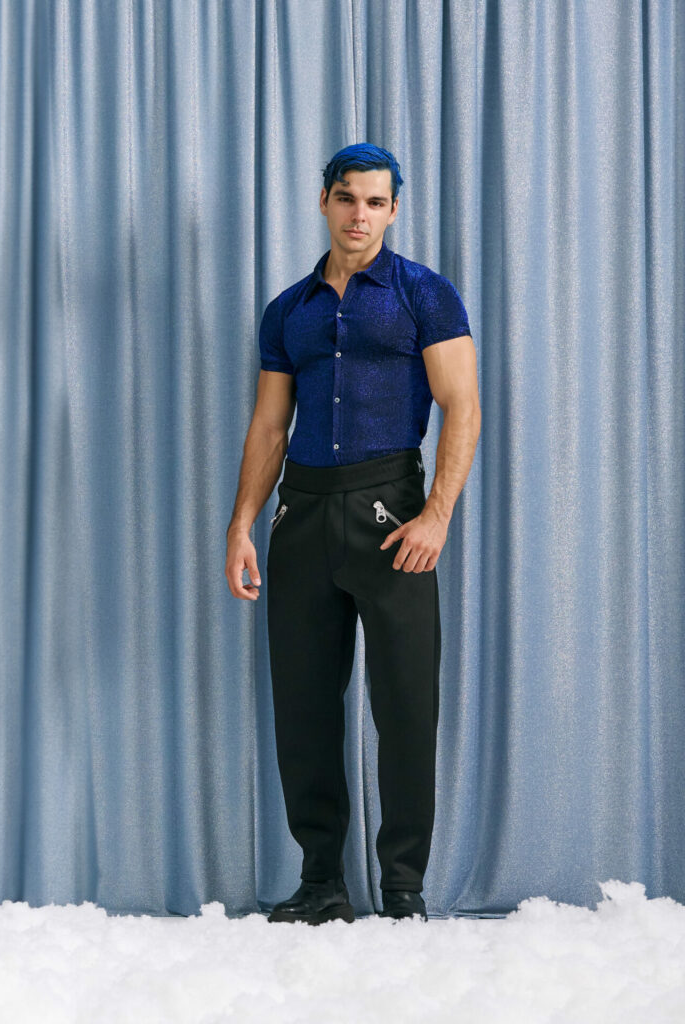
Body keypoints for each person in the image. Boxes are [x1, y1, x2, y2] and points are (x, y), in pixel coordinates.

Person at [225, 143, 481, 925]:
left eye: (374, 202)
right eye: (346, 198)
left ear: (393, 209)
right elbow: (270, 426)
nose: (359, 215)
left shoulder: (423, 296)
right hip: (301, 514)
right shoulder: (288, 310)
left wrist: (435, 515)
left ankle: (402, 887)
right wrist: (241, 525)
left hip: (388, 511)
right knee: (302, 706)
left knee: (404, 705)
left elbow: (461, 407)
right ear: (324, 201)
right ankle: (320, 883)